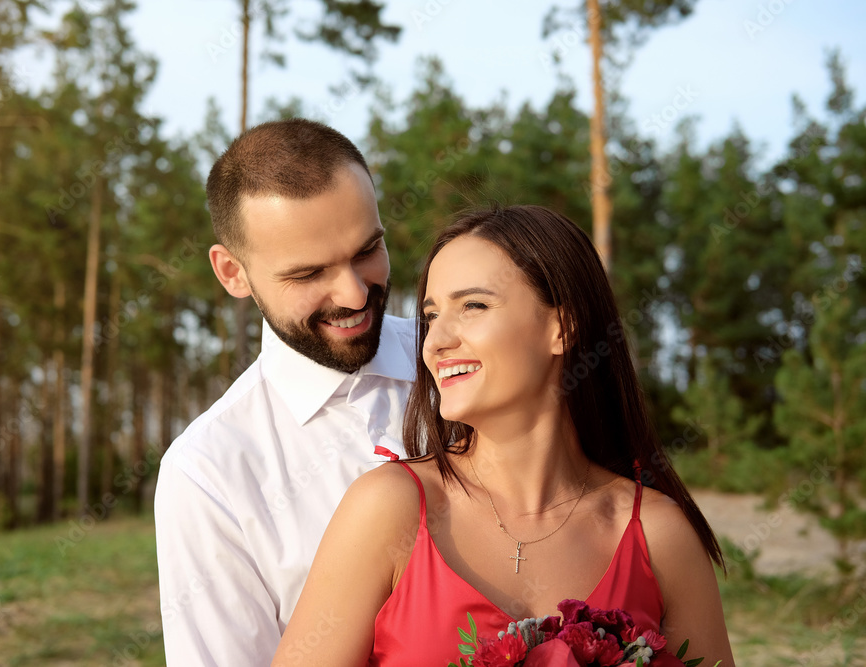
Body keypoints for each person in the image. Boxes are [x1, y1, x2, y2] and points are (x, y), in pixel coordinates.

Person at [273, 205, 736, 666]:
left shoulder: (659, 536)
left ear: (564, 325)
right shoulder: (389, 508)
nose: (434, 342)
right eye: (431, 315)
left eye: (473, 306)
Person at [154, 118, 415, 666]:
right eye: (308, 274)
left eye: (367, 250)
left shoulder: (474, 366)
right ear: (233, 273)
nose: (353, 293)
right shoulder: (209, 474)